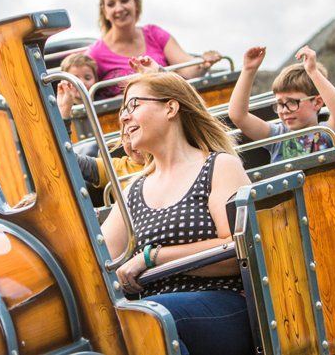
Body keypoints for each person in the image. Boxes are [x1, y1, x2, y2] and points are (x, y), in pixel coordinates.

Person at [101, 72, 253, 355]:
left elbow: (237, 251)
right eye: (123, 110)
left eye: (133, 105)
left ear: (170, 108)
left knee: (148, 319)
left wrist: (151, 258)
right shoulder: (134, 189)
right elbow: (100, 260)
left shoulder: (219, 166)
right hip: (153, 311)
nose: (123, 117)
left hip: (222, 302)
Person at [89, 0, 223, 98]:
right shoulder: (95, 54)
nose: (119, 8)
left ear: (136, 4)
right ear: (104, 11)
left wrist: (204, 62)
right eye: (111, 4)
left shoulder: (154, 34)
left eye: (124, 1)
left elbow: (187, 69)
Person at [228, 45, 335, 163]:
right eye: (280, 104)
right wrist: (248, 70)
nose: (284, 110)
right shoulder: (278, 136)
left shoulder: (326, 134)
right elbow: (238, 116)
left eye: (292, 102)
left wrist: (313, 71)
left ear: (317, 103)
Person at [55, 53, 147, 187]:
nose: (133, 142)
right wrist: (64, 113)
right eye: (126, 135)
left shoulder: (177, 161)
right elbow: (66, 160)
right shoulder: (117, 168)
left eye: (136, 130)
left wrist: (156, 74)